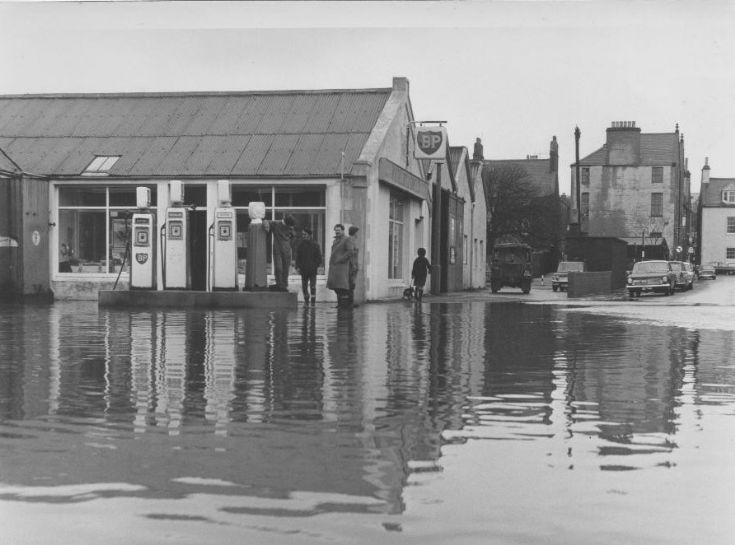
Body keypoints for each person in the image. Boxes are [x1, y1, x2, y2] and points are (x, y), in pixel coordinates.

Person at [326, 223, 355, 307]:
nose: (337, 232)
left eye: (338, 230)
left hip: (341, 267)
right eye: (336, 231)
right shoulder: (335, 240)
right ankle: (340, 304)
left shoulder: (347, 239)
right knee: (336, 287)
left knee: (342, 287)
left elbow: (350, 251)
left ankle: (344, 305)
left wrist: (340, 259)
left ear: (343, 230)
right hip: (335, 267)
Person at [295, 227, 322, 304]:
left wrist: (315, 265)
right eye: (303, 234)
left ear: (309, 235)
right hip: (303, 269)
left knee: (313, 287)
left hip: (312, 270)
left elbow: (319, 257)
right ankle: (306, 301)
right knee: (304, 287)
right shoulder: (300, 245)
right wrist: (297, 266)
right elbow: (298, 257)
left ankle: (313, 302)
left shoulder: (315, 245)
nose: (303, 236)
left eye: (305, 234)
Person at [269, 214, 295, 291]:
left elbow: (293, 236)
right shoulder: (276, 224)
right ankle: (280, 285)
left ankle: (284, 285)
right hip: (278, 250)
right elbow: (267, 222)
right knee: (279, 268)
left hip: (287, 251)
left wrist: (289, 243)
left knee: (285, 269)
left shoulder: (290, 227)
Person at [347, 226, 359, 306]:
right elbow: (351, 253)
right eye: (357, 232)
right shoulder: (351, 240)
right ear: (354, 232)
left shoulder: (353, 240)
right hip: (352, 265)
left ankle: (351, 301)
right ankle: (350, 302)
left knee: (352, 283)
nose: (357, 234)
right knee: (351, 283)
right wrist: (354, 265)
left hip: (354, 263)